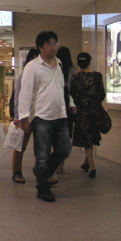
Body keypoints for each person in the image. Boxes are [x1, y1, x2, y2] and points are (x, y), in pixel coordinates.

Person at [18, 31, 76, 202]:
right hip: (42, 117)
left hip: (60, 115)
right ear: (40, 47)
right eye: (49, 43)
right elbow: (26, 92)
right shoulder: (32, 67)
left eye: (54, 43)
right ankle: (43, 188)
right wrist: (24, 116)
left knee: (65, 149)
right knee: (42, 155)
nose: (53, 47)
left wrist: (69, 104)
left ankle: (42, 171)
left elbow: (61, 88)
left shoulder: (59, 64)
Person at [71, 52, 105, 179]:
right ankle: (86, 163)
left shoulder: (75, 77)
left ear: (78, 63)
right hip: (94, 112)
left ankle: (93, 167)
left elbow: (72, 94)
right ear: (90, 62)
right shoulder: (97, 76)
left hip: (82, 112)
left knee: (86, 140)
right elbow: (102, 94)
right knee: (91, 137)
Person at [11, 48, 42, 183]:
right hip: (26, 116)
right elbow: (18, 97)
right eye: (34, 58)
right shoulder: (23, 76)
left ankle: (43, 172)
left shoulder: (43, 75)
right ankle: (16, 171)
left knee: (42, 147)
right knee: (20, 145)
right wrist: (17, 117)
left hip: (40, 115)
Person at [55, 46, 78, 174]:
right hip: (68, 108)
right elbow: (73, 91)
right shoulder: (73, 71)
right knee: (65, 135)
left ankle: (57, 160)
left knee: (55, 135)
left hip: (56, 106)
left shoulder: (56, 69)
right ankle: (61, 162)